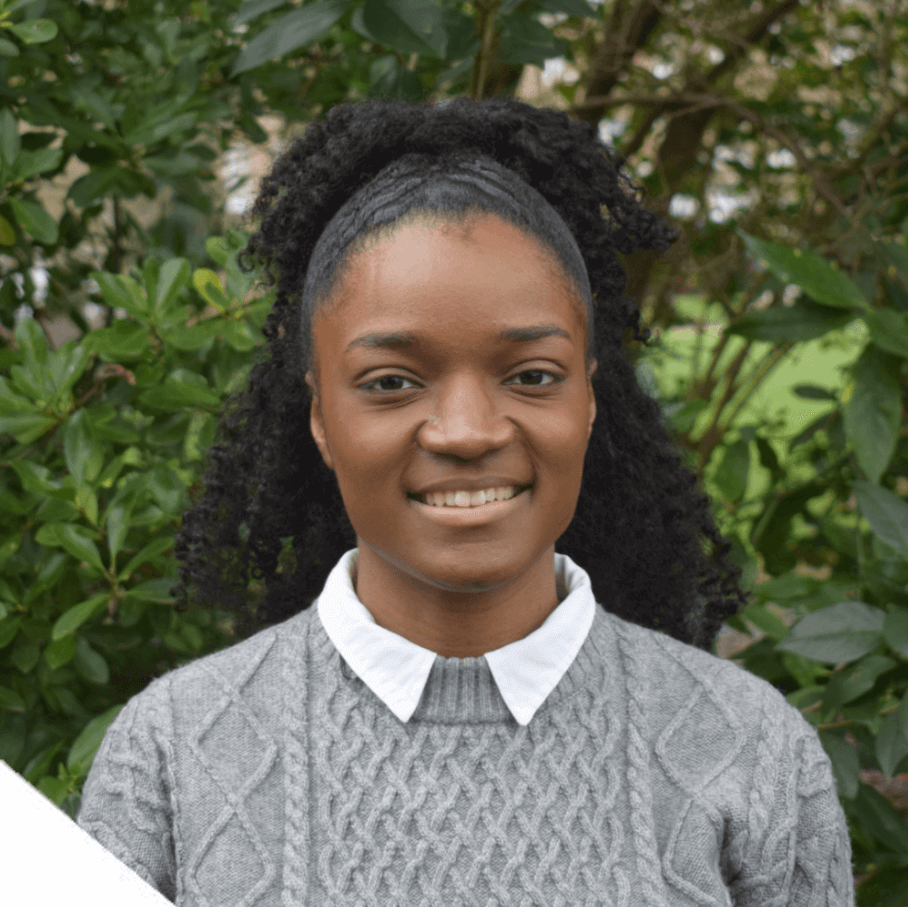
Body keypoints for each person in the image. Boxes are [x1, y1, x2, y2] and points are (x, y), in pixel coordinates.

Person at [76, 95, 855, 905]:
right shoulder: (171, 758)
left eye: (531, 376)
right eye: (391, 382)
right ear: (319, 414)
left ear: (589, 398)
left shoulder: (751, 750)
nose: (467, 430)